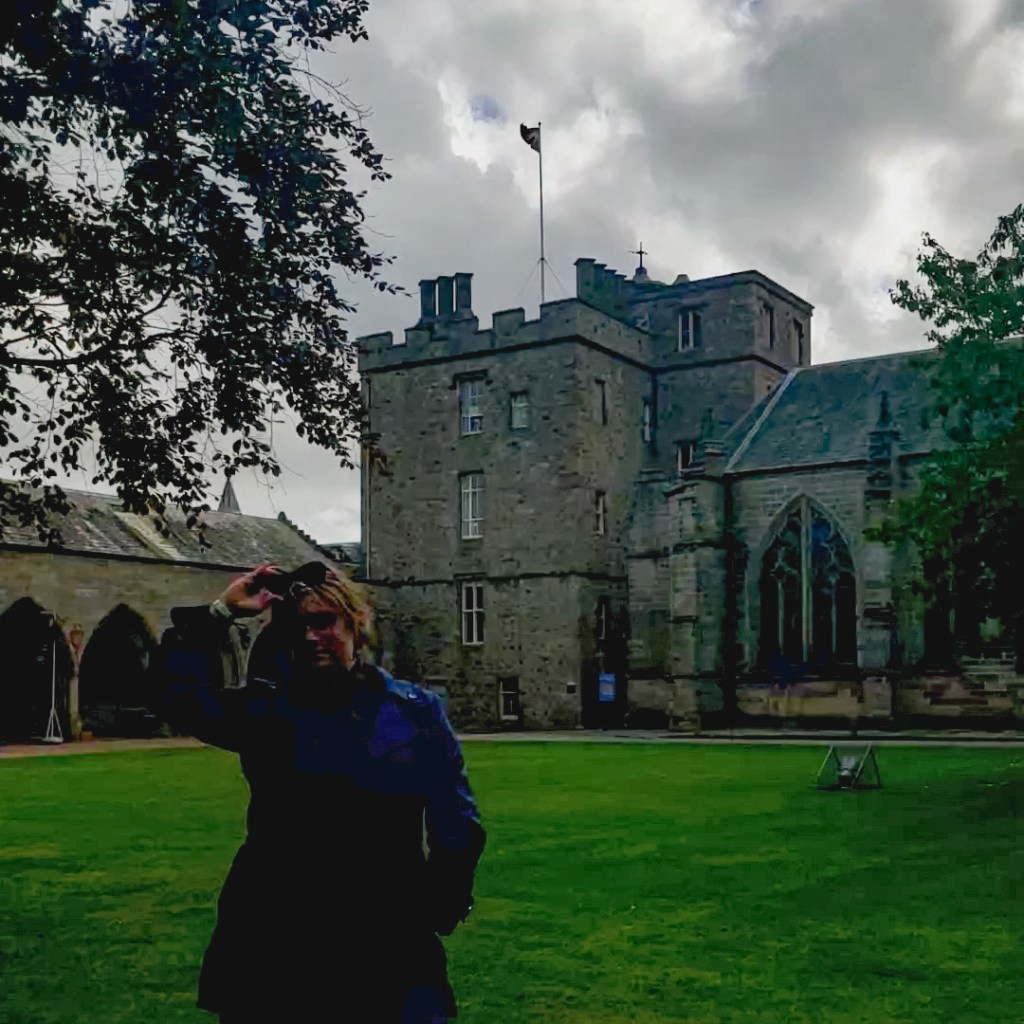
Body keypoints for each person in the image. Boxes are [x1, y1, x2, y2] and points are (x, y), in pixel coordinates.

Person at [154, 561, 486, 1023]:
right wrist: (220, 613)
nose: (310, 637)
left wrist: (442, 903)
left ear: (354, 622)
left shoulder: (413, 713)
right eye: (297, 625)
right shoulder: (268, 711)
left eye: (322, 622)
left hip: (384, 939)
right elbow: (182, 699)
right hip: (277, 938)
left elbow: (457, 826)